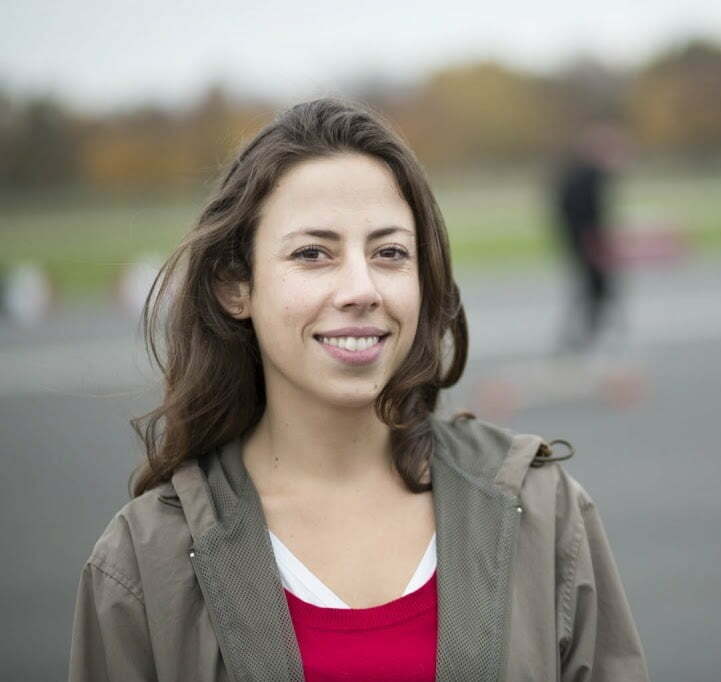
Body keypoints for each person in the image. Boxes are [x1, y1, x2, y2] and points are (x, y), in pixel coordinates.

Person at [68, 99, 648, 681]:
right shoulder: (142, 564)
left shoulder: (545, 513)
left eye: (389, 252)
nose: (360, 288)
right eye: (312, 253)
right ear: (234, 285)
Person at [553, 122, 625, 352]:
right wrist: (594, 240)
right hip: (587, 239)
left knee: (592, 286)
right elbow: (591, 212)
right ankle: (591, 332)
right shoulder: (591, 176)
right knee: (596, 284)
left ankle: (590, 331)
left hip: (579, 238)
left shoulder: (576, 172)